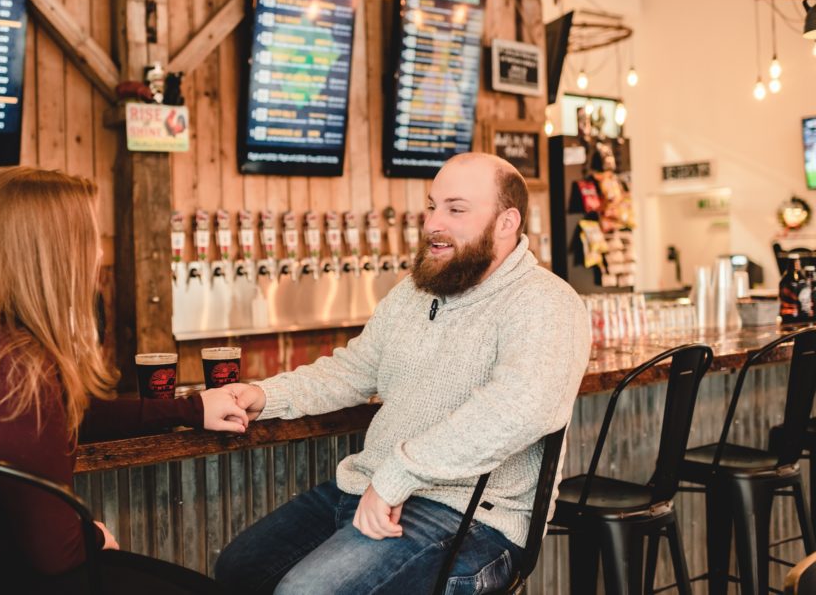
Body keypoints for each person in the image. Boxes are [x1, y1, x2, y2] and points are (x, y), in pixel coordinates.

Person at [214, 153, 591, 594]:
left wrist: (398, 476)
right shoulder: (414, 292)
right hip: (369, 487)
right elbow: (355, 368)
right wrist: (265, 395)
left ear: (507, 222)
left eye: (455, 209)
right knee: (237, 570)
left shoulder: (545, 302)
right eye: (432, 206)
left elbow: (518, 409)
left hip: (472, 518)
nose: (433, 223)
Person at [0, 167, 246, 595]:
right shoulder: (14, 369)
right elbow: (56, 553)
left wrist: (191, 408)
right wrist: (92, 536)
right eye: (90, 237)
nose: (99, 254)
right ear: (54, 255)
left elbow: (72, 417)